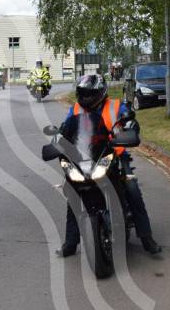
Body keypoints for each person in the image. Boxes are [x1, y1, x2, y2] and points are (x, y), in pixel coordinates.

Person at [57, 74, 162, 257]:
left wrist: (130, 128)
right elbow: (65, 129)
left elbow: (128, 121)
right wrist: (57, 142)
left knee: (132, 189)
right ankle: (70, 243)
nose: (86, 97)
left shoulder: (114, 106)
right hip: (84, 158)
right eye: (83, 92)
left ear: (100, 92)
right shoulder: (75, 109)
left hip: (114, 156)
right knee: (73, 191)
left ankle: (147, 238)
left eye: (91, 93)